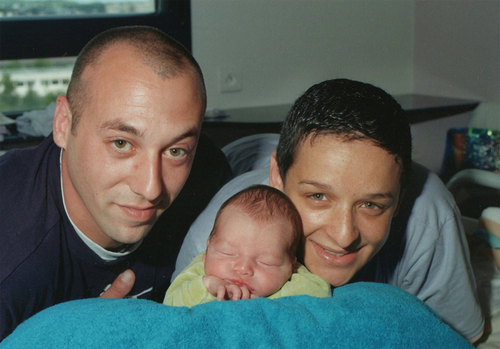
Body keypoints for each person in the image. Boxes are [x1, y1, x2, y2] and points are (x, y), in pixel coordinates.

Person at [174, 79, 485, 342]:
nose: (344, 235)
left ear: (399, 201)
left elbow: (461, 338)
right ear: (278, 179)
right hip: (246, 153)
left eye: (371, 205)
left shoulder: (430, 216)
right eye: (318, 196)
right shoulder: (220, 249)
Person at [0, 26, 232, 339]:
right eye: (121, 143)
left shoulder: (207, 178)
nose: (151, 188)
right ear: (62, 125)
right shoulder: (12, 265)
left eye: (175, 151)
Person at [164, 185, 331, 306]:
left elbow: (321, 297)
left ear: (291, 267)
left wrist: (265, 304)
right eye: (227, 252)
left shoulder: (298, 282)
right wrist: (207, 286)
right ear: (207, 251)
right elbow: (170, 304)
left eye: (266, 262)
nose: (243, 268)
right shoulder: (200, 271)